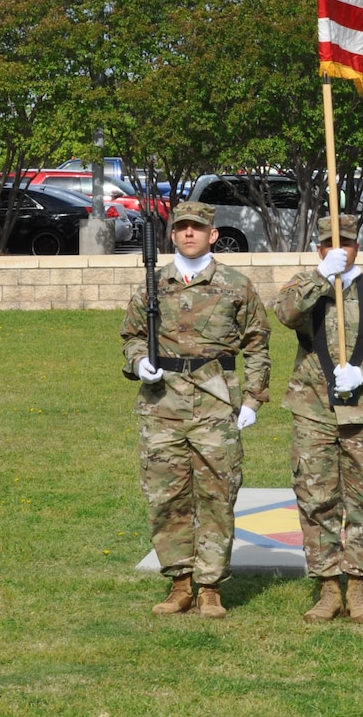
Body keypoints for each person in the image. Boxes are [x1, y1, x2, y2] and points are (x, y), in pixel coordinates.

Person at [121, 202, 271, 619]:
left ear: (213, 234)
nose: (189, 234)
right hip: (161, 404)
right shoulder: (153, 285)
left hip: (215, 403)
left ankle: (210, 587)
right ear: (172, 235)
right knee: (165, 497)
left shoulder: (236, 285)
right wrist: (139, 362)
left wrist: (253, 399)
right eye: (182, 227)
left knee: (217, 496)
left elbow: (257, 344)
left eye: (197, 228)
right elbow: (131, 335)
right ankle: (180, 583)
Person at [271, 213, 363, 625]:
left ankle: (359, 587)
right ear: (319, 248)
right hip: (312, 410)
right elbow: (284, 313)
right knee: (316, 501)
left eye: (347, 243)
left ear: (358, 246)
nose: (340, 249)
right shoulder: (307, 285)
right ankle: (328, 588)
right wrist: (320, 275)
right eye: (330, 244)